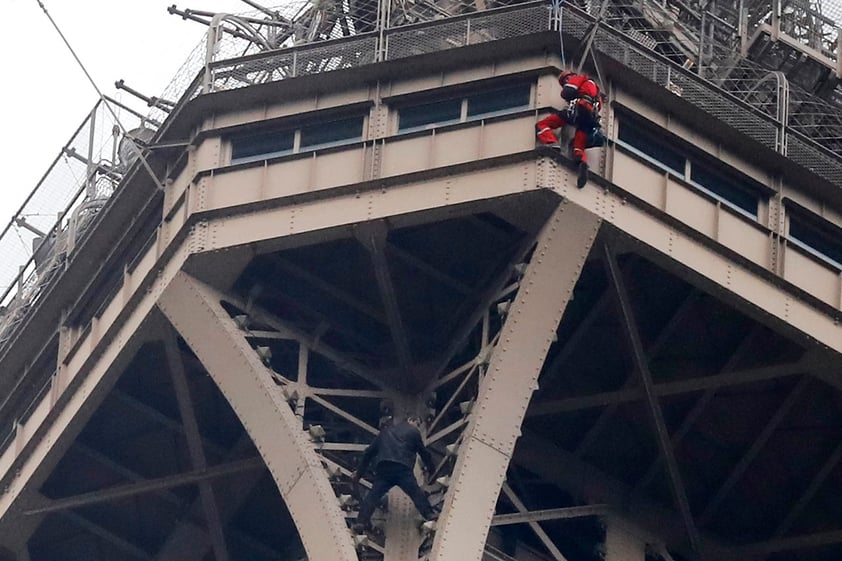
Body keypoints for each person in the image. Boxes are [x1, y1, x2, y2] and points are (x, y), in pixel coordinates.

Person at [352, 416, 437, 532]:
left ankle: (360, 522)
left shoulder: (385, 432)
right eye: (418, 424)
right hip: (402, 468)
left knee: (373, 496)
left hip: (384, 467)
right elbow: (423, 453)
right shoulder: (413, 432)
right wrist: (432, 470)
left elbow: (369, 453)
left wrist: (359, 474)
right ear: (411, 421)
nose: (418, 427)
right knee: (415, 491)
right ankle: (429, 514)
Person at [535, 70, 605, 187]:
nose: (565, 83)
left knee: (542, 125)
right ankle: (581, 162)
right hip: (590, 118)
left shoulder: (578, 78)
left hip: (579, 110)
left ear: (569, 77)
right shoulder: (596, 92)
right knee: (578, 145)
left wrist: (568, 91)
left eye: (564, 81)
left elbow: (567, 92)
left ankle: (552, 143)